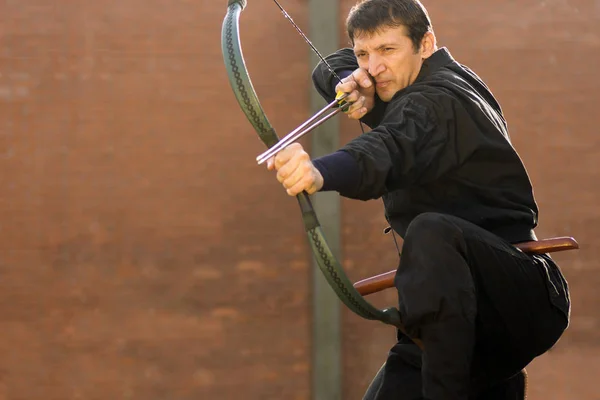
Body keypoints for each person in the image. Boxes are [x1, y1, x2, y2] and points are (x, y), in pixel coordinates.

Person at [265, 0, 571, 398]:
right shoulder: (403, 82)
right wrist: (348, 77)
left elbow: (390, 149)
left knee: (432, 232)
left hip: (512, 295)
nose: (374, 67)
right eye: (364, 54)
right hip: (448, 311)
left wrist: (318, 172)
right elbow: (332, 62)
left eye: (388, 51)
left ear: (425, 44)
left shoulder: (438, 100)